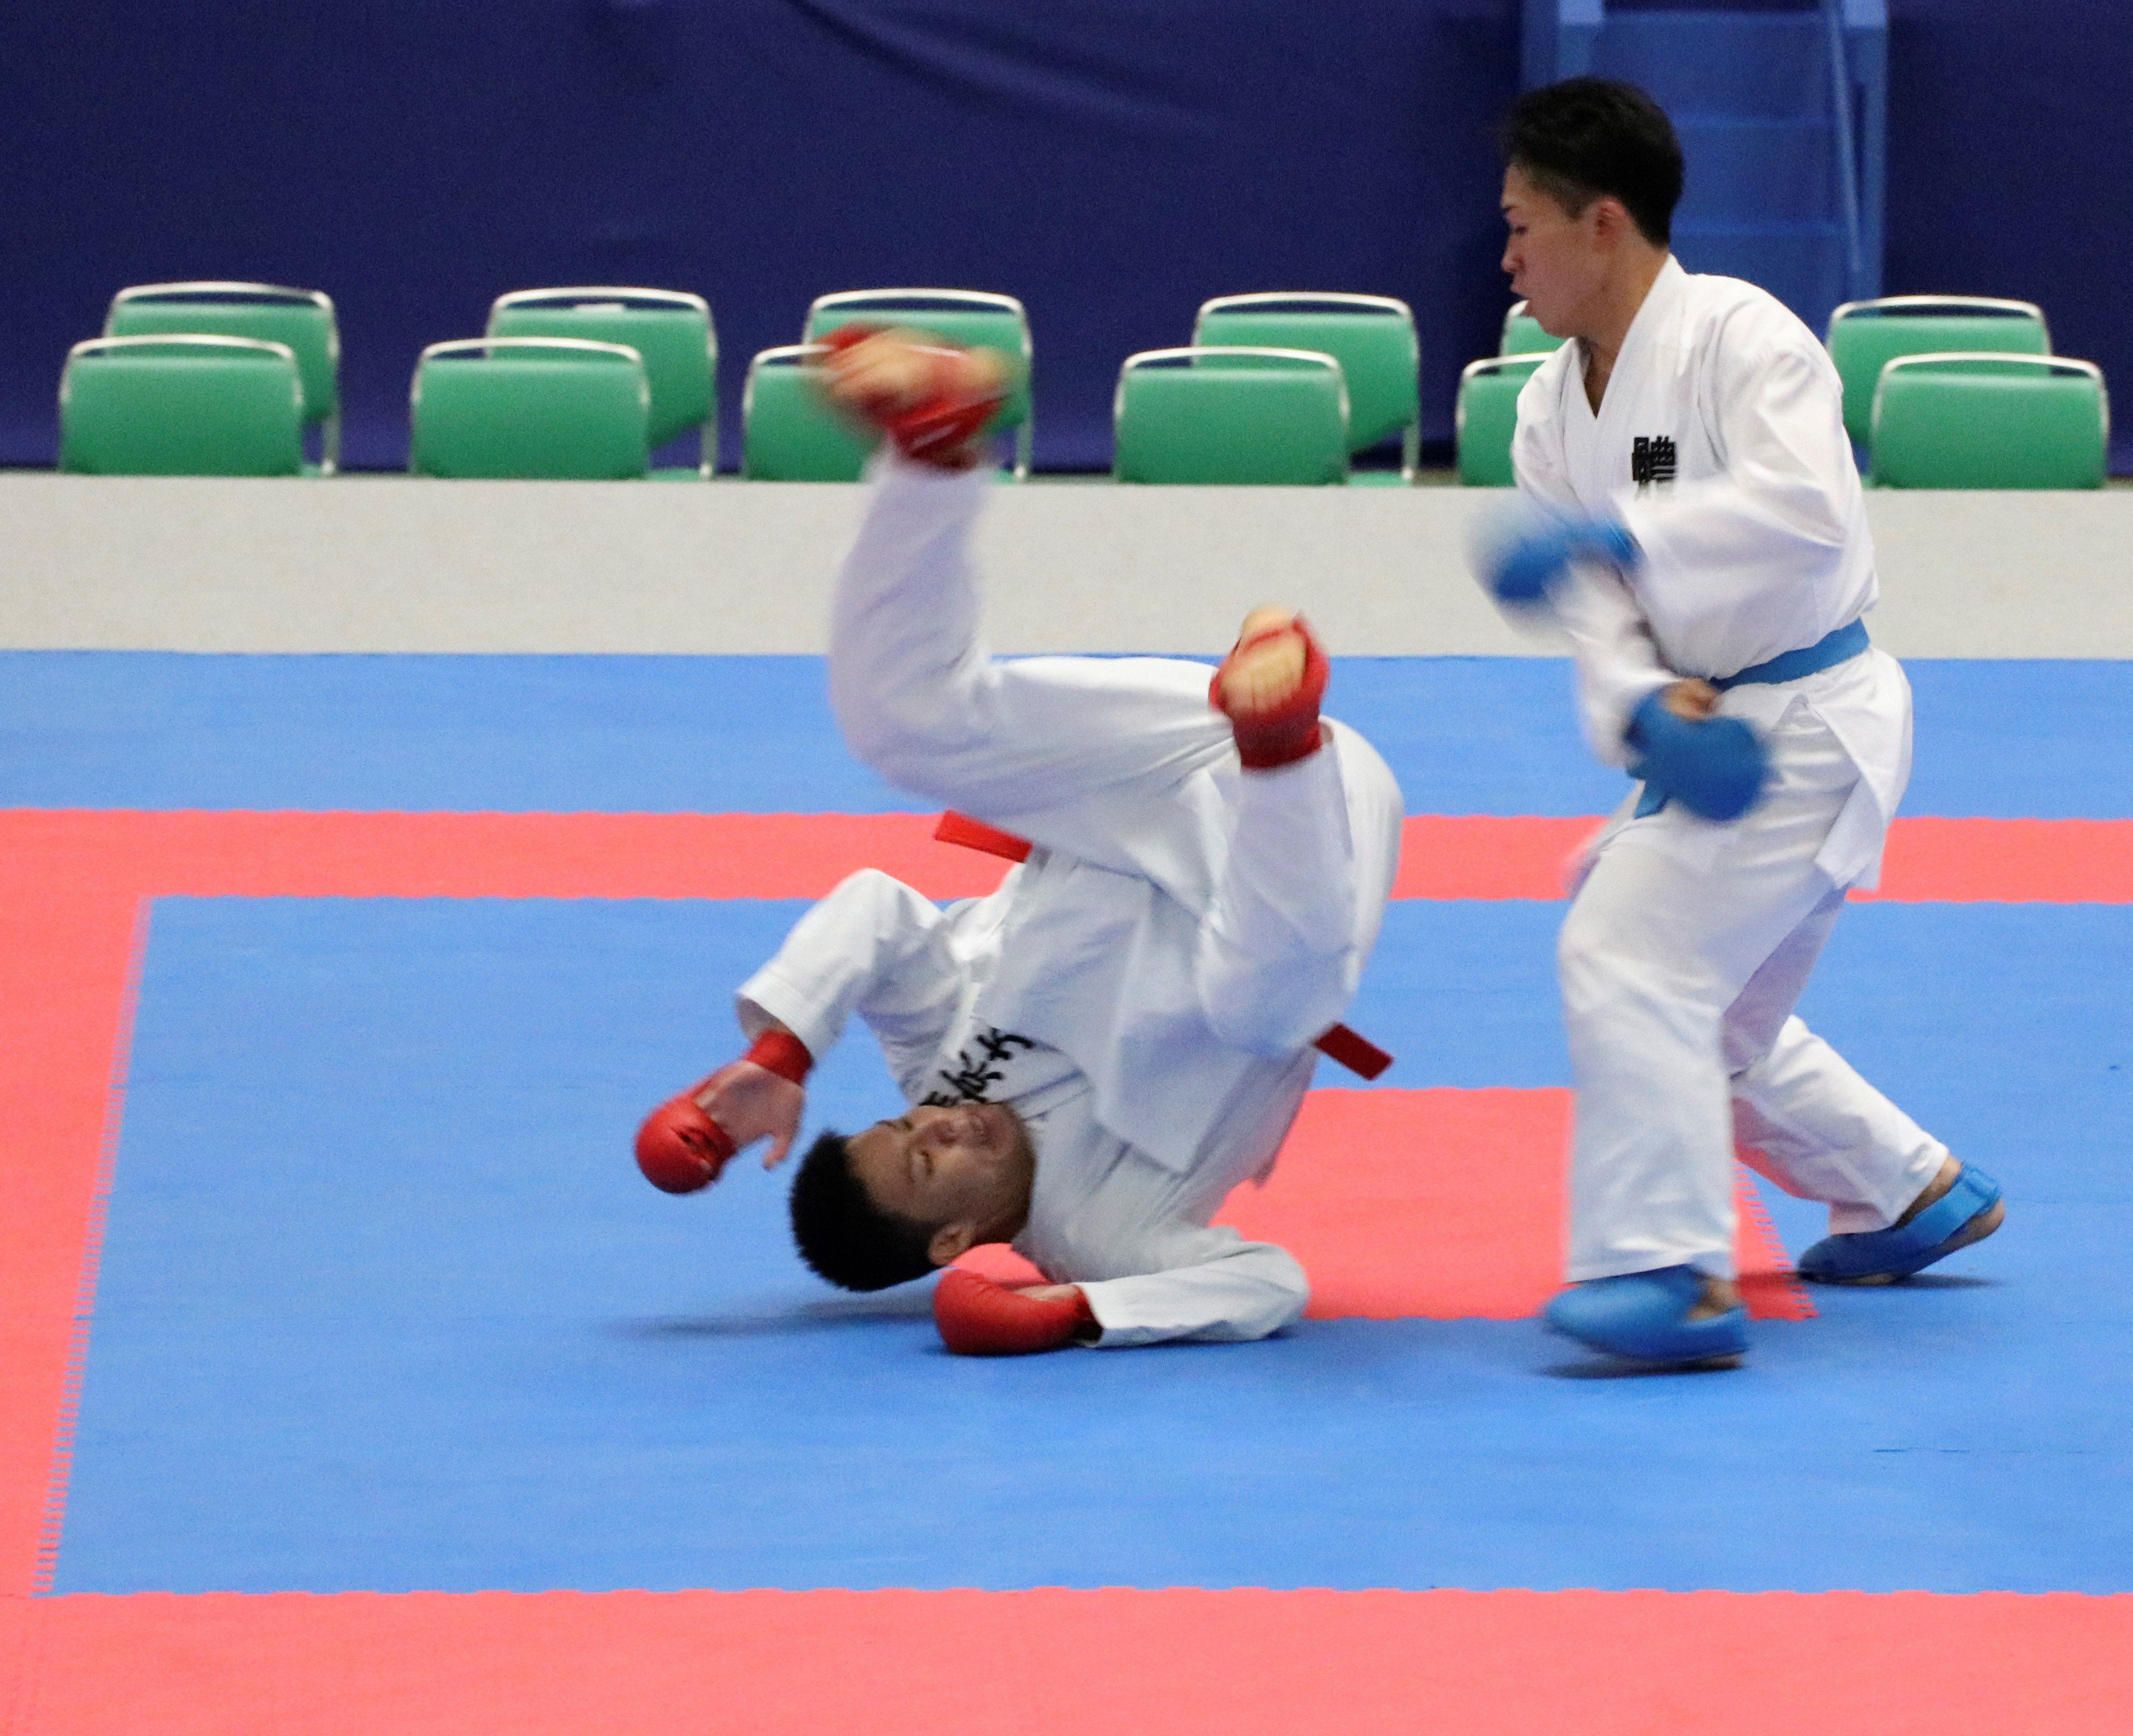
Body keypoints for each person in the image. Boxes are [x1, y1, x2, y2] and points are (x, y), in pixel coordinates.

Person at [636, 330, 1402, 1354]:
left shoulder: (942, 1072)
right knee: (1271, 1010)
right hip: (1294, 822)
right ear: (958, 1237)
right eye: (925, 1161)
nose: (938, 1123)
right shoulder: (1103, 1236)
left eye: (906, 1127)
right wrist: (1082, 1312)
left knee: (899, 725)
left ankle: (933, 447)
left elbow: (875, 908)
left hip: (1146, 786)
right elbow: (1268, 1279)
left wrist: (783, 1049)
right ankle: (1279, 740)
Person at [1478, 76, 2005, 1367]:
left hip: (1815, 712)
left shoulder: (1743, 339)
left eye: (1519, 225)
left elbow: (1810, 509)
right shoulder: (1548, 405)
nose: (1505, 257)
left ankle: (1670, 1270)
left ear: (1602, 224)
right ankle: (1906, 1188)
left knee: (1626, 954)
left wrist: (1633, 529)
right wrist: (1641, 708)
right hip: (1713, 727)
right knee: (1705, 1024)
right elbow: (1594, 614)